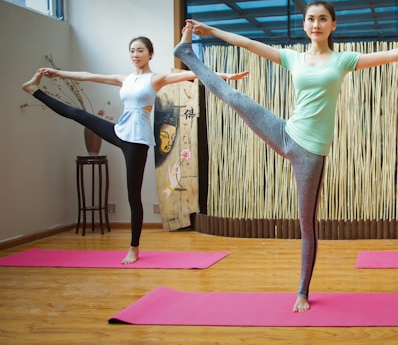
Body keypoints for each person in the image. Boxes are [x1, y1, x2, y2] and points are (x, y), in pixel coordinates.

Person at [172, 0, 398, 312]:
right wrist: (211, 30)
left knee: (306, 224)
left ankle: (302, 291)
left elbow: (390, 55)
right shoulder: (293, 58)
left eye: (323, 19)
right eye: (311, 19)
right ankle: (187, 54)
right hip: (285, 132)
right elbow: (249, 43)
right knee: (234, 97)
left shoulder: (342, 61)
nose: (316, 25)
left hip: (311, 152)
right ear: (304, 24)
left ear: (333, 25)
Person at [21, 36, 249, 264]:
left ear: (150, 53)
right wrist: (58, 73)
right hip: (120, 131)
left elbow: (193, 74)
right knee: (79, 115)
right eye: (132, 51)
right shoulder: (125, 79)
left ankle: (134, 248)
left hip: (137, 141)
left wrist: (226, 76)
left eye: (140, 50)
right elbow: (89, 76)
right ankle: (34, 89)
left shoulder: (156, 79)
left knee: (133, 196)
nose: (135, 55)